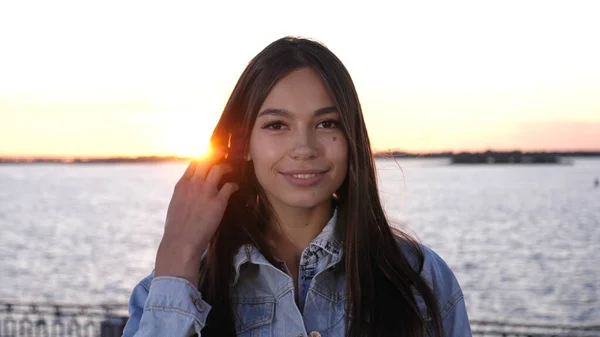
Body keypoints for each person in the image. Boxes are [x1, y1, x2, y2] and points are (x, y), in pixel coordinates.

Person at [122, 36, 471, 337]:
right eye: (276, 125)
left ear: (351, 137)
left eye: (326, 123)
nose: (304, 148)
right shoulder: (171, 287)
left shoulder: (418, 277)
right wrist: (179, 253)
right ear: (243, 145)